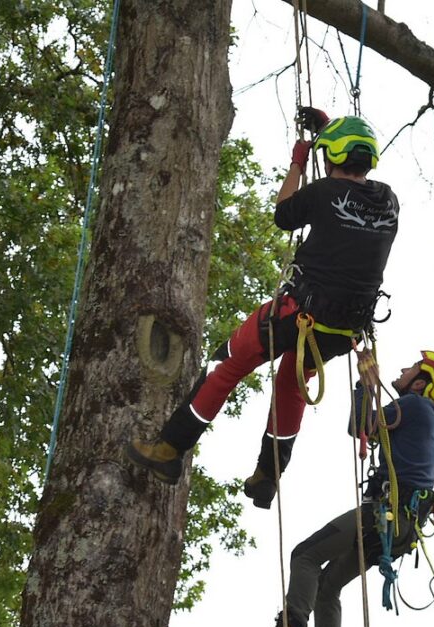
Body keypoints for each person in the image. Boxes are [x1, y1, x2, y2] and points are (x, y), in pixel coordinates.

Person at [127, 108, 401, 509]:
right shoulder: (388, 202)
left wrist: (298, 162)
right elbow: (350, 198)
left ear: (332, 159)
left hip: (298, 314)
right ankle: (267, 478)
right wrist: (327, 132)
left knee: (228, 364)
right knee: (291, 383)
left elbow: (284, 214)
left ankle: (169, 450)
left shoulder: (323, 193)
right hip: (341, 333)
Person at [236, 350, 434, 627]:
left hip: (387, 514)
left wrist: (366, 383)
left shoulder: (415, 405)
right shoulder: (421, 413)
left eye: (412, 367)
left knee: (305, 555)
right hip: (401, 528)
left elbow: (360, 426)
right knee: (328, 587)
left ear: (420, 384)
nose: (403, 367)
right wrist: (366, 385)